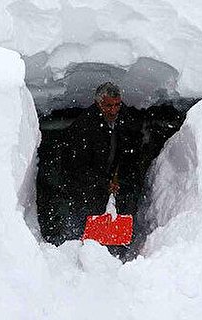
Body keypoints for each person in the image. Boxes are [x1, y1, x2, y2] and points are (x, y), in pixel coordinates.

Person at [61, 82, 145, 247]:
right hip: (84, 187)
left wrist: (120, 177)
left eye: (117, 105)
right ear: (98, 103)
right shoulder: (84, 127)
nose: (114, 110)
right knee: (85, 230)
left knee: (115, 217)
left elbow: (132, 147)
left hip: (112, 180)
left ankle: (116, 250)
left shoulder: (124, 118)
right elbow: (76, 166)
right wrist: (103, 182)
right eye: (108, 106)